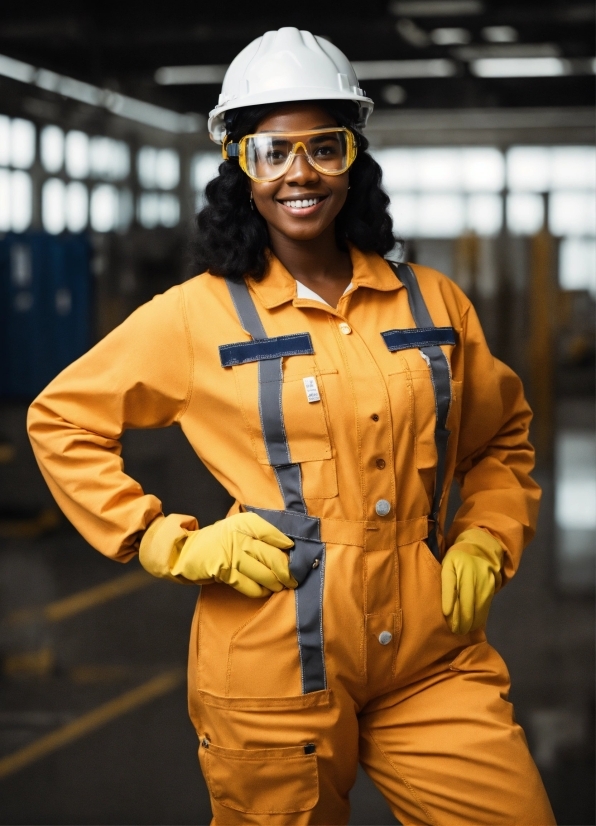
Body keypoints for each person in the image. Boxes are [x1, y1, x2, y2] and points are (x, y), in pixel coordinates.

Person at [28, 27, 555, 826]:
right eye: (272, 152)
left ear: (354, 157)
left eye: (323, 147)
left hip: (433, 655)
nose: (298, 173)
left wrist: (487, 533)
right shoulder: (195, 317)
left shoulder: (434, 305)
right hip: (275, 663)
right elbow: (63, 418)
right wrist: (171, 541)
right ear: (241, 169)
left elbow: (498, 440)